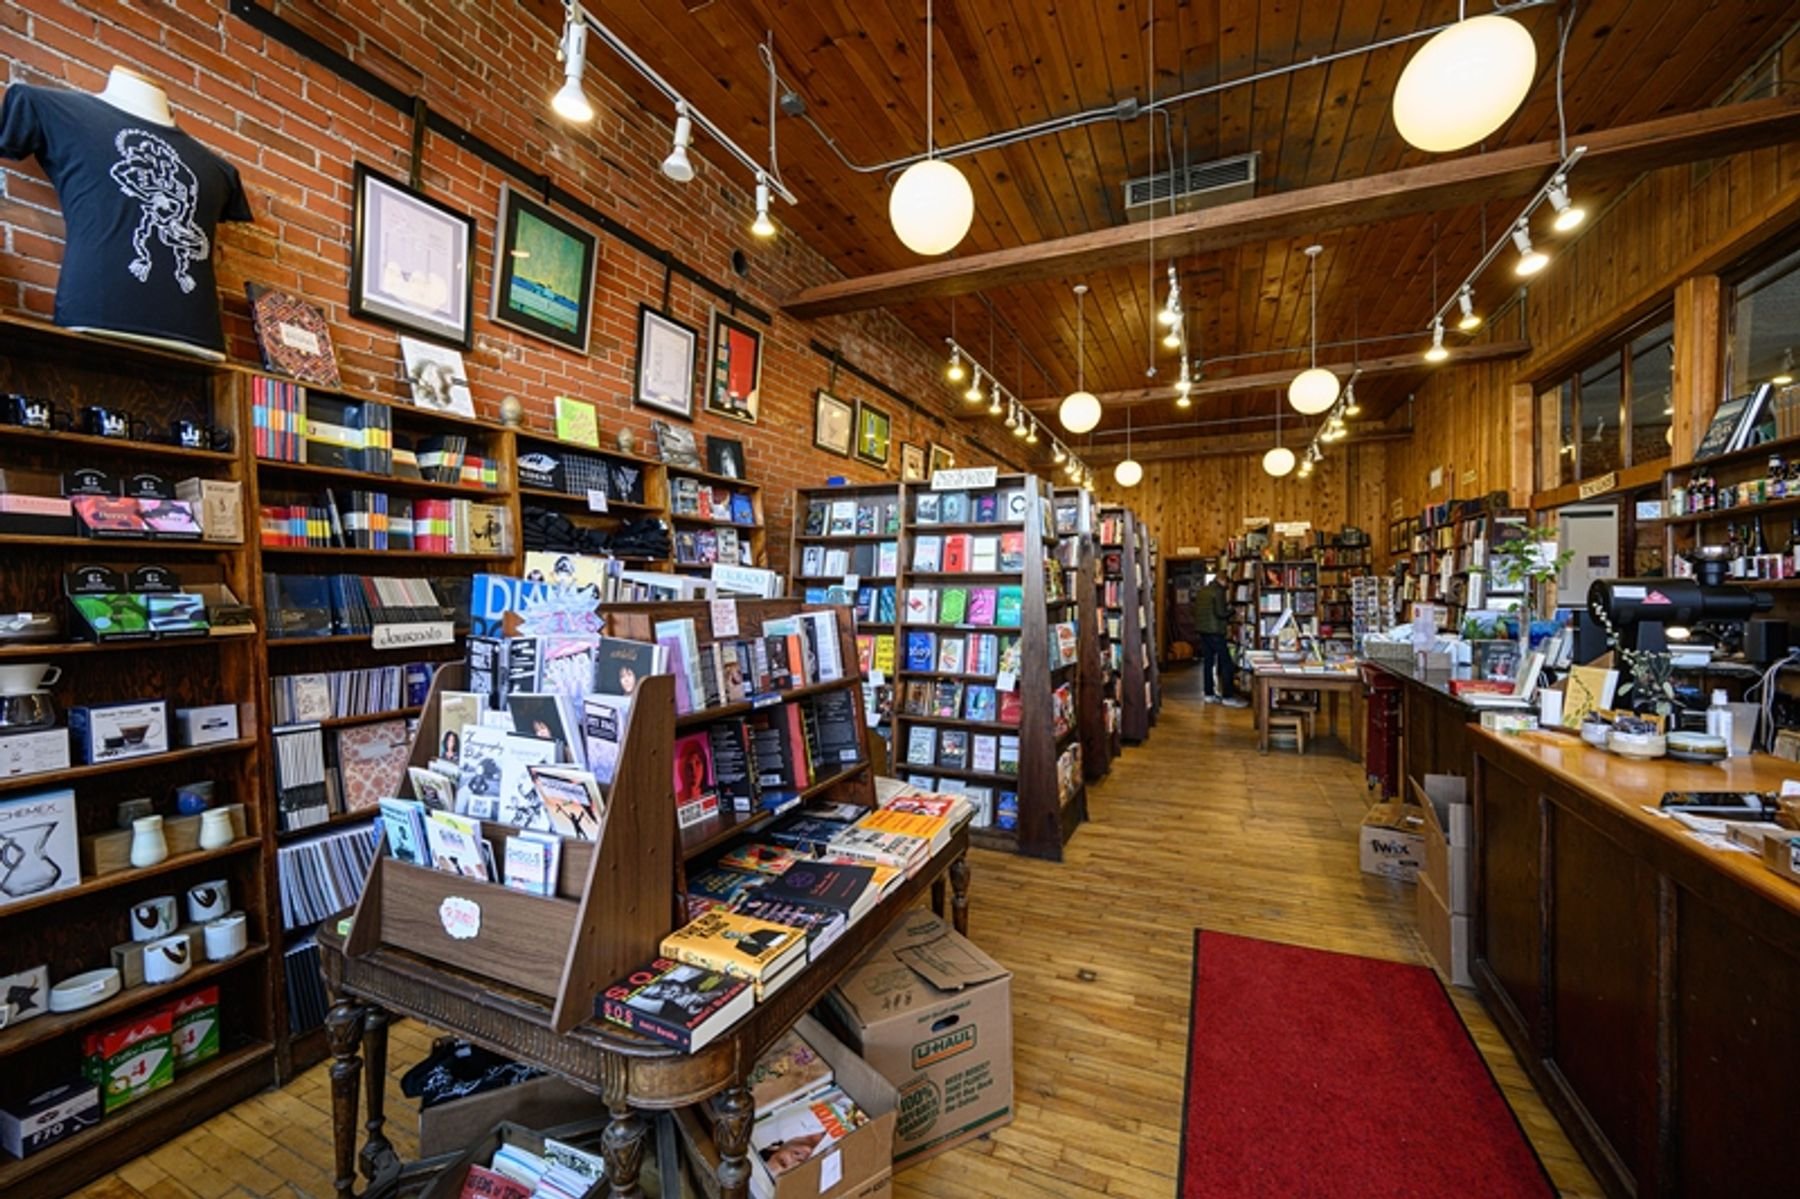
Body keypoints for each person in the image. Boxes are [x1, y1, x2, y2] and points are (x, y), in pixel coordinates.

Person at [1192, 574, 1248, 707]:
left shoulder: (1202, 591)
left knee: (1208, 662)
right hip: (1215, 632)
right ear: (1222, 581)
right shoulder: (1218, 591)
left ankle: (1209, 694)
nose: (1228, 587)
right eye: (1227, 584)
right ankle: (1228, 697)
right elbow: (1220, 613)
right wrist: (1233, 611)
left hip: (1203, 631)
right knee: (1227, 663)